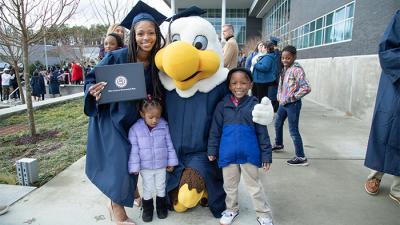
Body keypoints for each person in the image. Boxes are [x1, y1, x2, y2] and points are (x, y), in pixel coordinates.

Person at [84, 2, 166, 225]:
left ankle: (133, 193)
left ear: (157, 34)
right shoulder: (117, 57)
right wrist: (93, 92)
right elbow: (92, 78)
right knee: (120, 163)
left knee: (139, 159)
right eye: (140, 33)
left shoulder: (159, 60)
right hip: (113, 117)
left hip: (139, 119)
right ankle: (116, 209)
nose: (146, 38)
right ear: (133, 35)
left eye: (151, 33)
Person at [208, 67, 274, 225]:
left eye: (243, 82)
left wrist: (266, 155)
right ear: (229, 86)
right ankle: (231, 210)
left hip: (249, 154)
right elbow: (215, 130)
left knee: (254, 187)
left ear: (250, 84)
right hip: (227, 154)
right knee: (229, 186)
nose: (239, 86)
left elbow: (262, 133)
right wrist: (212, 149)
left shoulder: (254, 105)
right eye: (234, 83)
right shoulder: (222, 105)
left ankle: (263, 214)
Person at [364, 10, 400, 205]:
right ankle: (375, 175)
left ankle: (398, 186)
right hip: (397, 85)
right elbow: (387, 50)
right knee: (386, 128)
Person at [128, 96, 178, 222]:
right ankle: (148, 210)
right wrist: (134, 167)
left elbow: (169, 144)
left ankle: (161, 208)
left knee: (161, 186)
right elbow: (134, 150)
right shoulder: (135, 129)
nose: (155, 120)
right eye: (151, 117)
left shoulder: (164, 125)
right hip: (146, 167)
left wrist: (171, 161)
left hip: (161, 165)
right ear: (142, 114)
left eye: (158, 116)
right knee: (148, 188)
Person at [272, 45, 311, 166]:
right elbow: (281, 85)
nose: (285, 60)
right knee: (277, 123)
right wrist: (279, 97)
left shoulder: (297, 70)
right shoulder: (285, 69)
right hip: (283, 103)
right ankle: (278, 144)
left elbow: (306, 88)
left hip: (293, 104)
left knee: (293, 130)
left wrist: (292, 97)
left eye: (288, 58)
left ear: (294, 57)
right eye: (283, 58)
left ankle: (301, 157)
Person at [252, 41, 278, 109]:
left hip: (262, 81)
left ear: (266, 48)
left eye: (263, 47)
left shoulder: (268, 57)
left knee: (261, 98)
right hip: (261, 81)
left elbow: (265, 67)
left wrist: (256, 64)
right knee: (260, 98)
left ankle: (262, 110)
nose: (261, 48)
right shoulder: (267, 56)